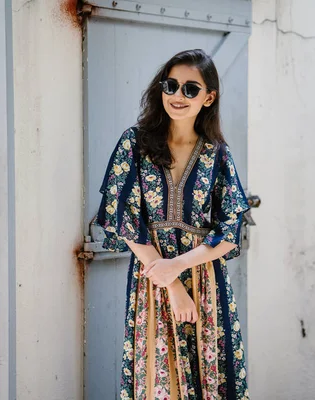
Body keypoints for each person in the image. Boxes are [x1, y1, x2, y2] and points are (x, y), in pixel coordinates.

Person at [95, 48, 250, 400]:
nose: (178, 96)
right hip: (153, 280)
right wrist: (173, 285)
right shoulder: (134, 143)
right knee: (159, 383)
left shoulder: (217, 153)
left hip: (206, 283)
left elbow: (229, 232)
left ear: (209, 97)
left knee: (212, 379)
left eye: (190, 89)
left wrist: (178, 267)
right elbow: (124, 219)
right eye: (171, 85)